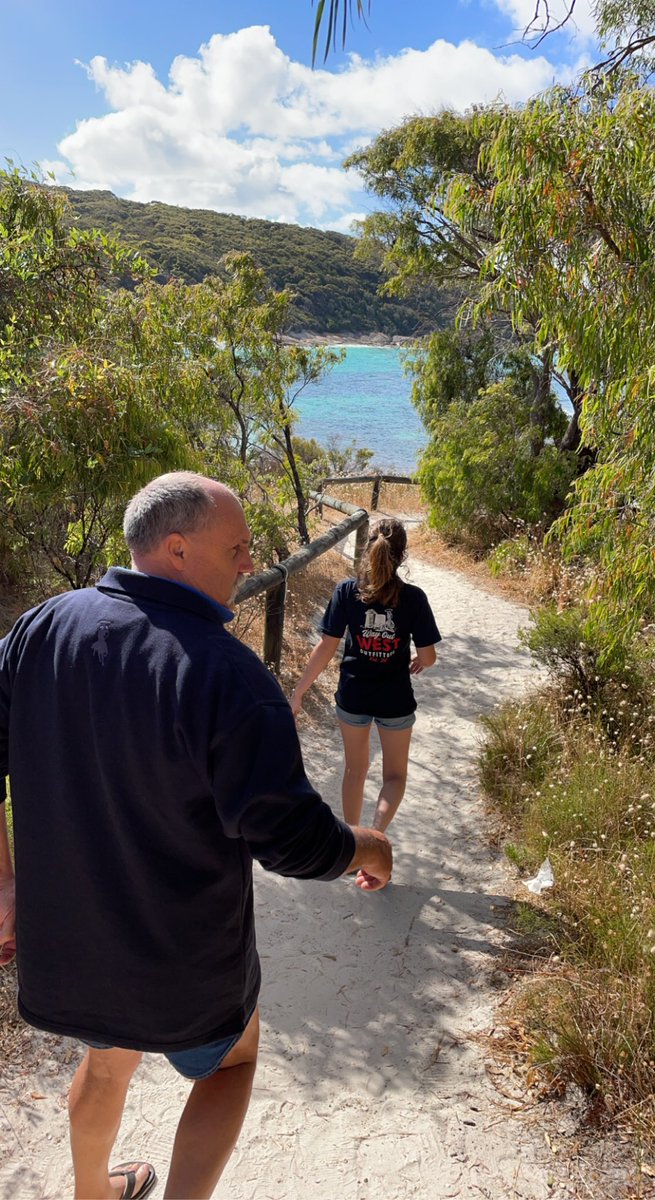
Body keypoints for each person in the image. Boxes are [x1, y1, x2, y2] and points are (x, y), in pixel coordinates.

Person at [0, 471, 392, 1200]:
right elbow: (291, 842)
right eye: (238, 547)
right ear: (176, 549)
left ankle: (93, 1194)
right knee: (232, 1064)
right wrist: (368, 846)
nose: (250, 562)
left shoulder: (41, 629)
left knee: (107, 1060)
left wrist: (6, 881)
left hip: (75, 950)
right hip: (183, 965)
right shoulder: (229, 677)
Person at [291, 517, 441, 833]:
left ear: (367, 549)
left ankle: (354, 842)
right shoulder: (414, 598)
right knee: (395, 777)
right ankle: (375, 835)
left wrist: (300, 691)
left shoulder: (346, 591)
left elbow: (326, 647)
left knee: (354, 772)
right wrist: (419, 660)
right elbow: (428, 656)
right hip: (395, 700)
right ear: (402, 556)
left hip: (353, 696)